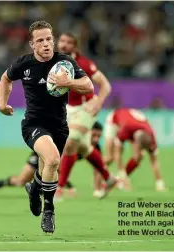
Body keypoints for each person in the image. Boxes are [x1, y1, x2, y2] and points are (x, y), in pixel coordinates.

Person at [0, 20, 94, 233]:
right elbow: (5, 78)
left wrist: (67, 82)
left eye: (49, 39)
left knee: (48, 168)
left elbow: (88, 86)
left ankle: (34, 188)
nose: (46, 44)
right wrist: (2, 104)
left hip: (59, 126)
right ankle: (49, 211)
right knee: (52, 159)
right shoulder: (24, 64)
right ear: (32, 45)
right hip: (33, 124)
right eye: (40, 40)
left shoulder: (65, 62)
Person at [55, 32, 116, 200]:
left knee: (71, 140)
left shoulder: (84, 64)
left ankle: (59, 189)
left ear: (74, 46)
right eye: (62, 41)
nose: (64, 45)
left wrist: (99, 102)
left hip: (86, 107)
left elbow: (105, 85)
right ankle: (109, 178)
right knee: (83, 147)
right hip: (67, 110)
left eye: (68, 42)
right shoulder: (52, 63)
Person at [0, 122, 104, 197]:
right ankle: (0, 183)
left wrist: (98, 189)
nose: (96, 139)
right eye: (94, 135)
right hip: (41, 153)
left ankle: (39, 189)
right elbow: (59, 167)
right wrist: (69, 186)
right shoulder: (73, 141)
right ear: (87, 132)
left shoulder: (94, 148)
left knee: (46, 182)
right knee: (21, 181)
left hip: (53, 165)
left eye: (99, 136)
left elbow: (97, 169)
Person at [104, 108, 167, 192]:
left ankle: (119, 181)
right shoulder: (126, 129)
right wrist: (123, 175)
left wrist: (159, 183)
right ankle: (102, 174)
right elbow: (118, 153)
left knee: (138, 157)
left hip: (133, 124)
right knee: (110, 157)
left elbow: (154, 162)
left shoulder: (152, 138)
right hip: (114, 120)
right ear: (136, 142)